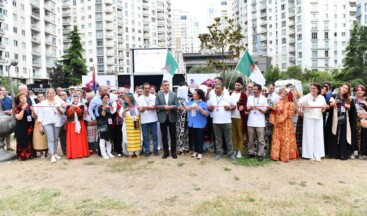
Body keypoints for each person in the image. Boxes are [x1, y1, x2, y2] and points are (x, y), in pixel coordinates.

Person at [298, 82, 327, 161]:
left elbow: (324, 108)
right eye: (311, 88)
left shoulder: (321, 97)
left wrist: (324, 108)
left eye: (314, 88)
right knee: (309, 136)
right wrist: (301, 104)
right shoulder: (307, 96)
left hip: (318, 118)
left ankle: (318, 154)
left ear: (318, 90)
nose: (312, 90)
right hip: (308, 118)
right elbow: (299, 103)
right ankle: (309, 154)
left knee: (319, 137)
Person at [327, 82, 357, 160]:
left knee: (343, 135)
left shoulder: (349, 98)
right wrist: (335, 102)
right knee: (334, 133)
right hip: (334, 117)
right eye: (344, 87)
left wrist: (348, 106)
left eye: (347, 89)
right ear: (340, 87)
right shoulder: (334, 96)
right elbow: (330, 105)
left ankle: (342, 153)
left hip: (344, 117)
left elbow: (352, 110)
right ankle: (333, 153)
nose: (345, 89)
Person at [207, 83, 236, 161]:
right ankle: (219, 153)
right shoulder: (212, 97)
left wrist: (229, 107)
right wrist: (211, 109)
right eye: (215, 88)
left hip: (226, 121)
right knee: (218, 139)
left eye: (217, 88)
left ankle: (231, 154)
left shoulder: (228, 97)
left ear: (222, 89)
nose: (215, 90)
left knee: (228, 139)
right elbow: (208, 108)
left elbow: (234, 106)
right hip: (216, 122)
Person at [269, 88, 299, 162]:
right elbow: (274, 110)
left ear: (287, 95)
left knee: (285, 139)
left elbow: (290, 113)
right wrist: (273, 110)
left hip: (286, 124)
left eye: (283, 93)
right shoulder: (278, 102)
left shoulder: (291, 104)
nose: (282, 94)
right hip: (278, 124)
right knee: (276, 138)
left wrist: (282, 112)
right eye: (282, 93)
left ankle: (285, 156)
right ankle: (275, 155)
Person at [37, 88, 66, 163]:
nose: (51, 94)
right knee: (51, 139)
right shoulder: (43, 103)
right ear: (47, 94)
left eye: (53, 93)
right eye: (50, 93)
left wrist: (59, 109)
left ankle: (55, 153)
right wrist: (40, 126)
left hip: (57, 122)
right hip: (47, 123)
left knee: (56, 138)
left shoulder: (59, 101)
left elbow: (62, 112)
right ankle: (52, 155)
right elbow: (40, 115)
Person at [155, 80, 178, 159]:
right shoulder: (158, 95)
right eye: (165, 85)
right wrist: (164, 107)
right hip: (162, 118)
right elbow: (156, 106)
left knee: (173, 136)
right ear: (162, 86)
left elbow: (177, 105)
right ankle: (166, 152)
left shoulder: (174, 94)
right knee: (164, 136)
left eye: (168, 85)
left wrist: (172, 106)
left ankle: (173, 152)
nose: (167, 86)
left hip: (172, 117)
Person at [246, 84, 268, 162]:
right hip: (251, 122)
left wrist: (259, 109)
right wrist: (250, 109)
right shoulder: (250, 98)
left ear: (259, 90)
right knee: (251, 139)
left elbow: (265, 111)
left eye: (255, 89)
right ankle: (251, 152)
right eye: (253, 89)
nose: (253, 91)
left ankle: (260, 154)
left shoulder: (264, 99)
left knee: (261, 139)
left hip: (260, 122)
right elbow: (247, 110)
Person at [65, 94, 90, 159]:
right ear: (72, 99)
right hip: (71, 124)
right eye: (74, 98)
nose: (75, 99)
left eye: (76, 98)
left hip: (80, 123)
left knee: (80, 139)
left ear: (78, 99)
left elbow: (80, 114)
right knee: (72, 139)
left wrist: (76, 109)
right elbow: (67, 115)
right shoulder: (68, 106)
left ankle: (82, 153)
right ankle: (73, 154)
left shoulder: (82, 105)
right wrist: (71, 109)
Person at [187, 89, 209, 159]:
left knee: (199, 138)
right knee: (194, 138)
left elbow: (207, 114)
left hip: (200, 123)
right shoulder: (191, 101)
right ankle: (195, 151)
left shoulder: (203, 103)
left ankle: (200, 152)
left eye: (194, 94)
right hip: (192, 123)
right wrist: (191, 107)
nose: (193, 95)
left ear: (199, 95)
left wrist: (201, 110)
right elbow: (186, 108)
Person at [138, 83, 159, 157]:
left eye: (148, 88)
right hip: (144, 119)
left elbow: (154, 107)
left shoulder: (154, 97)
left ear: (150, 89)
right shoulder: (139, 98)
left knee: (155, 135)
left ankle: (155, 150)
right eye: (145, 88)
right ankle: (147, 151)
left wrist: (146, 108)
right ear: (143, 89)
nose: (147, 90)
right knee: (146, 136)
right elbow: (140, 109)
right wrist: (147, 108)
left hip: (153, 119)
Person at [230, 77, 247, 158]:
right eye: (236, 85)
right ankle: (235, 149)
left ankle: (240, 150)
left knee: (240, 134)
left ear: (242, 86)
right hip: (230, 116)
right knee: (233, 134)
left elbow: (245, 105)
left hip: (239, 117)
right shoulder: (231, 93)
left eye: (238, 85)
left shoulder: (243, 94)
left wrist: (243, 107)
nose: (237, 86)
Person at [120, 93, 141, 159]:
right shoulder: (123, 106)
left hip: (136, 123)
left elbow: (139, 114)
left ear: (131, 98)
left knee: (137, 137)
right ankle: (130, 153)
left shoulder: (136, 105)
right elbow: (121, 115)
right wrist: (125, 110)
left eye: (127, 98)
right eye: (125, 98)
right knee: (128, 138)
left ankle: (137, 152)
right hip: (127, 125)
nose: (126, 99)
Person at [14, 93, 34, 160]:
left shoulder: (29, 105)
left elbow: (34, 116)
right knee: (23, 140)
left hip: (30, 126)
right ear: (19, 99)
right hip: (21, 127)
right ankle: (23, 155)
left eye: (24, 97)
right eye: (21, 97)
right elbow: (19, 117)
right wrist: (22, 110)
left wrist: (33, 110)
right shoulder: (17, 107)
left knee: (30, 140)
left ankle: (30, 154)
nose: (23, 98)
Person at [97, 93, 115, 159]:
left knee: (109, 139)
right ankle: (103, 153)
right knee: (102, 139)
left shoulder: (110, 106)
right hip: (102, 124)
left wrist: (111, 108)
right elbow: (103, 115)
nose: (106, 99)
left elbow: (113, 114)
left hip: (109, 124)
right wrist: (104, 109)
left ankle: (109, 152)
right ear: (102, 99)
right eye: (104, 98)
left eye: (107, 97)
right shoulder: (100, 107)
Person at [32, 93, 48, 158]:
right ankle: (41, 153)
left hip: (46, 121)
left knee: (46, 137)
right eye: (39, 97)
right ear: (37, 98)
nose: (40, 98)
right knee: (40, 137)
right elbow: (35, 116)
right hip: (38, 122)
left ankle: (47, 151)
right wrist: (33, 110)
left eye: (42, 96)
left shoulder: (47, 104)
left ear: (44, 97)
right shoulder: (36, 105)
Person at [353, 85, 367, 158]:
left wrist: (365, 104)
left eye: (361, 90)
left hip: (364, 120)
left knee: (363, 136)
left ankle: (363, 152)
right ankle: (354, 151)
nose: (359, 91)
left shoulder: (366, 99)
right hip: (354, 119)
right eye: (358, 90)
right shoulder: (352, 99)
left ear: (364, 91)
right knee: (354, 135)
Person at [111, 88, 125, 157]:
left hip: (127, 121)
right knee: (119, 137)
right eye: (119, 93)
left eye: (122, 92)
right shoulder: (115, 101)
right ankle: (119, 151)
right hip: (118, 122)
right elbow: (113, 111)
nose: (120, 94)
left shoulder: (128, 100)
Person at [176, 85, 189, 155]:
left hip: (186, 119)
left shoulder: (186, 99)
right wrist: (186, 108)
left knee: (185, 133)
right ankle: (179, 149)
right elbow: (179, 109)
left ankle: (185, 147)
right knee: (180, 134)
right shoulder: (178, 100)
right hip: (180, 120)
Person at [0, 86, 13, 151]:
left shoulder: (8, 98)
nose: (3, 91)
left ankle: (8, 146)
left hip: (8, 117)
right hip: (1, 118)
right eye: (2, 90)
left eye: (4, 90)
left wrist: (10, 111)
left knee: (8, 132)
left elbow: (11, 106)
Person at [58, 91, 68, 155]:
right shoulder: (58, 103)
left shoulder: (69, 102)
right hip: (61, 122)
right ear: (60, 96)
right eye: (62, 95)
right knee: (63, 137)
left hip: (69, 122)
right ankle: (65, 151)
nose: (64, 96)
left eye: (65, 94)